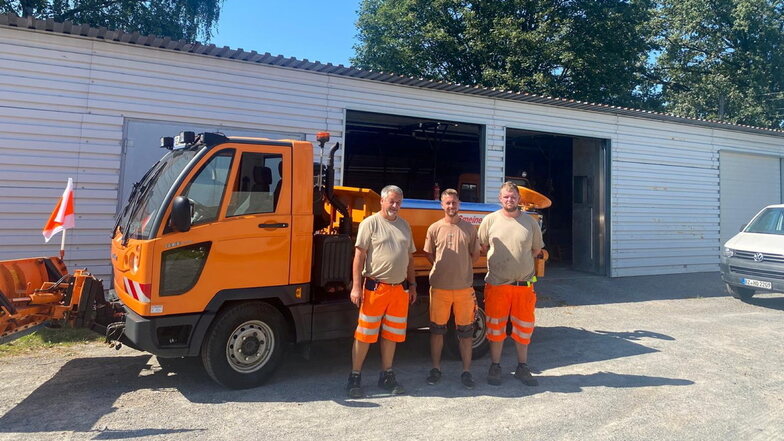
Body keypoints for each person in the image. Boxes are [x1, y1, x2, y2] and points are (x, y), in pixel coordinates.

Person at [346, 185, 417, 398]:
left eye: (398, 202)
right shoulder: (370, 224)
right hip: (375, 288)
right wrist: (356, 286)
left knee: (391, 335)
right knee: (365, 335)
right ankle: (355, 377)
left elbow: (410, 259)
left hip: (399, 290)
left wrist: (412, 285)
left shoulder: (405, 226)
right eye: (391, 201)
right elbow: (359, 256)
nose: (395, 206)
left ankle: (386, 375)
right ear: (382, 202)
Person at [477, 181, 544, 387]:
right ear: (500, 199)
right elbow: (482, 247)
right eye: (505, 197)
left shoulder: (530, 222)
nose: (509, 200)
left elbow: (535, 250)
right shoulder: (489, 221)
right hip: (497, 285)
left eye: (513, 196)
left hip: (523, 286)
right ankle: (495, 366)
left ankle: (522, 367)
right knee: (495, 329)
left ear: (519, 199)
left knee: (523, 329)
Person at [423, 188, 481, 389]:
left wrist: (462, 267)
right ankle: (436, 368)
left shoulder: (469, 229)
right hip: (439, 288)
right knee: (437, 331)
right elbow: (429, 254)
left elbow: (475, 255)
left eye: (454, 203)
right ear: (442, 205)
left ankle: (466, 372)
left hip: (464, 289)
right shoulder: (434, 228)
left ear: (459, 204)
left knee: (466, 333)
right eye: (447, 203)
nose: (451, 206)